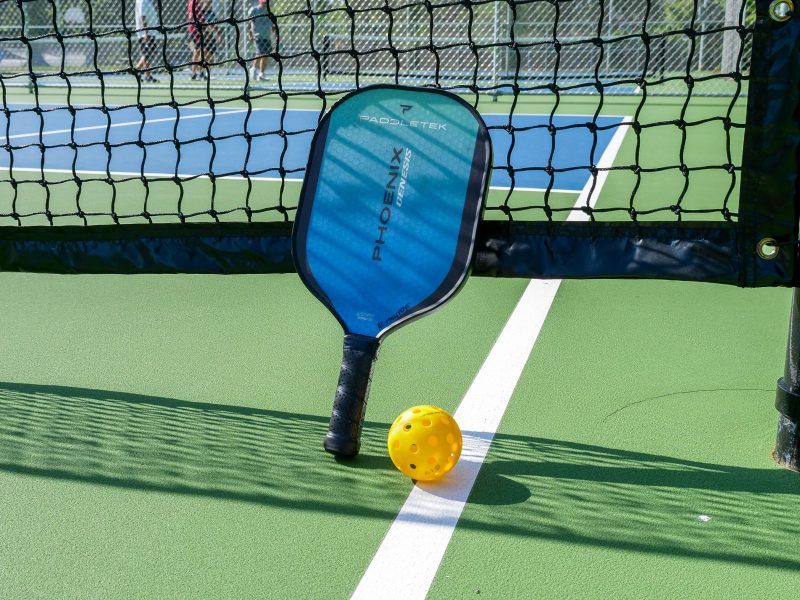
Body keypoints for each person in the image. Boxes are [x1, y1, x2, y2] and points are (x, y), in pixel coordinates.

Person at [188, 0, 218, 80]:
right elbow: (191, 17)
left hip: (202, 31)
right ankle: (194, 73)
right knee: (197, 52)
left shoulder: (200, 5)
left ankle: (200, 72)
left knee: (202, 52)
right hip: (195, 31)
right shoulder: (193, 3)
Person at [247, 0, 273, 81]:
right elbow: (250, 24)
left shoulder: (269, 12)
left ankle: (260, 73)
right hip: (257, 36)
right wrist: (250, 34)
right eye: (264, 2)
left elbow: (272, 25)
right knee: (261, 53)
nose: (265, 4)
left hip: (267, 37)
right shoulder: (254, 10)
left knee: (265, 55)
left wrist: (275, 35)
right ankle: (255, 70)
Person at [135, 0, 159, 82]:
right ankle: (140, 71)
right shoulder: (143, 1)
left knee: (148, 54)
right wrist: (146, 33)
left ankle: (141, 72)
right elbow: (143, 17)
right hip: (146, 34)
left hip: (150, 33)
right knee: (148, 54)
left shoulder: (147, 1)